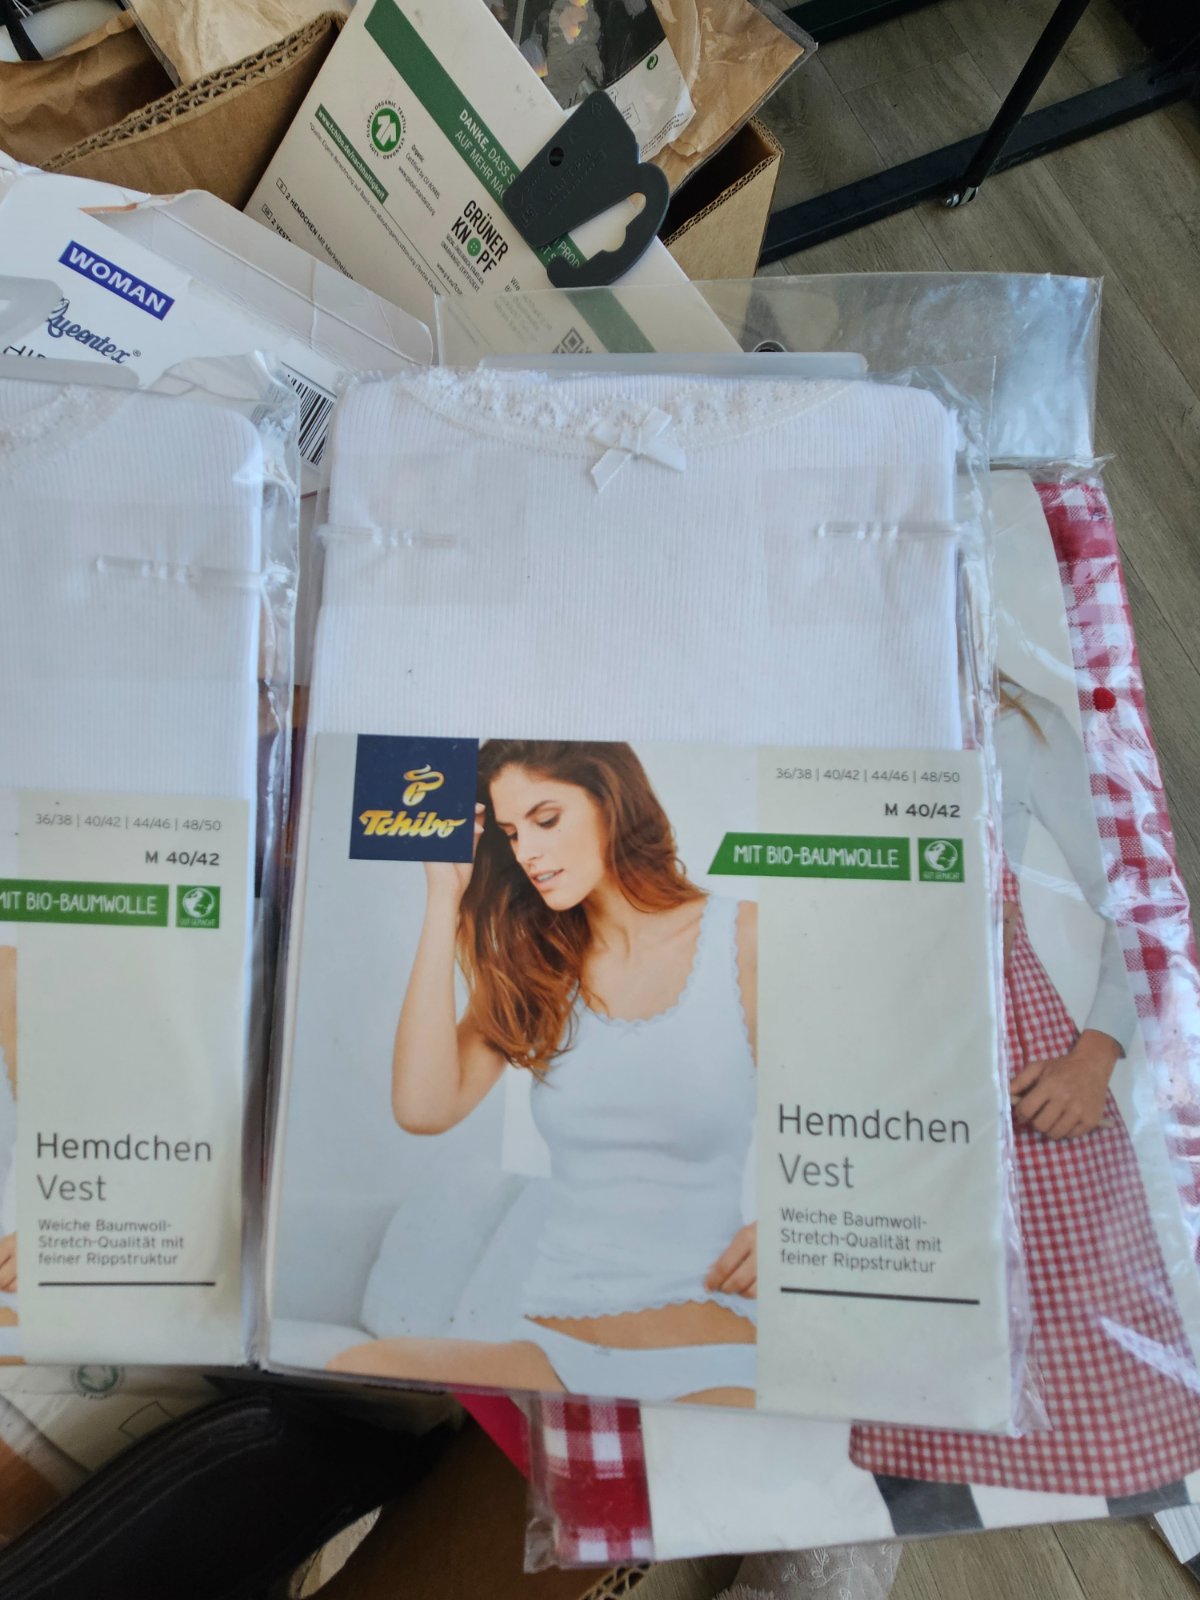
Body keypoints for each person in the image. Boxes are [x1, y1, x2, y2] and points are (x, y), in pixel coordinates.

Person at [850, 680, 1200, 1525]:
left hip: (1028, 1084)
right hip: (879, 1078)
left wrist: (1096, 1054)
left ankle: (1180, 1524)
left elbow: (1142, 899)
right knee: (913, 1397)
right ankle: (904, 1547)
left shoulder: (1014, 721)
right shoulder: (811, 709)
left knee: (1114, 1374)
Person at [330, 740, 759, 1405]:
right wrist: (443, 899)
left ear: (612, 803)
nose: (527, 851)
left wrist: (801, 1226)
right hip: (552, 1352)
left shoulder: (745, 938)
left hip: (710, 1353)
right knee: (356, 1367)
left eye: (546, 819)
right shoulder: (541, 967)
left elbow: (863, 1122)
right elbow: (423, 1108)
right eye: (511, 833)